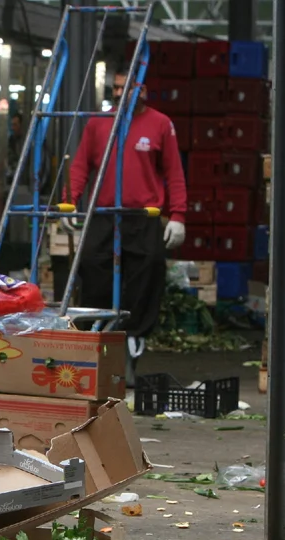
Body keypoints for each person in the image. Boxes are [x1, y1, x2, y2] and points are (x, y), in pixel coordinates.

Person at [66, 63, 187, 365]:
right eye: (116, 88)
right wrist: (69, 201)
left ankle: (133, 336)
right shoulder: (98, 124)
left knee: (149, 268)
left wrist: (178, 215)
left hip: (143, 216)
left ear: (143, 90)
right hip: (104, 214)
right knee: (92, 263)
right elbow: (81, 165)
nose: (120, 94)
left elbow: (174, 173)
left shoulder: (160, 124)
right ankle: (97, 330)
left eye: (126, 88)